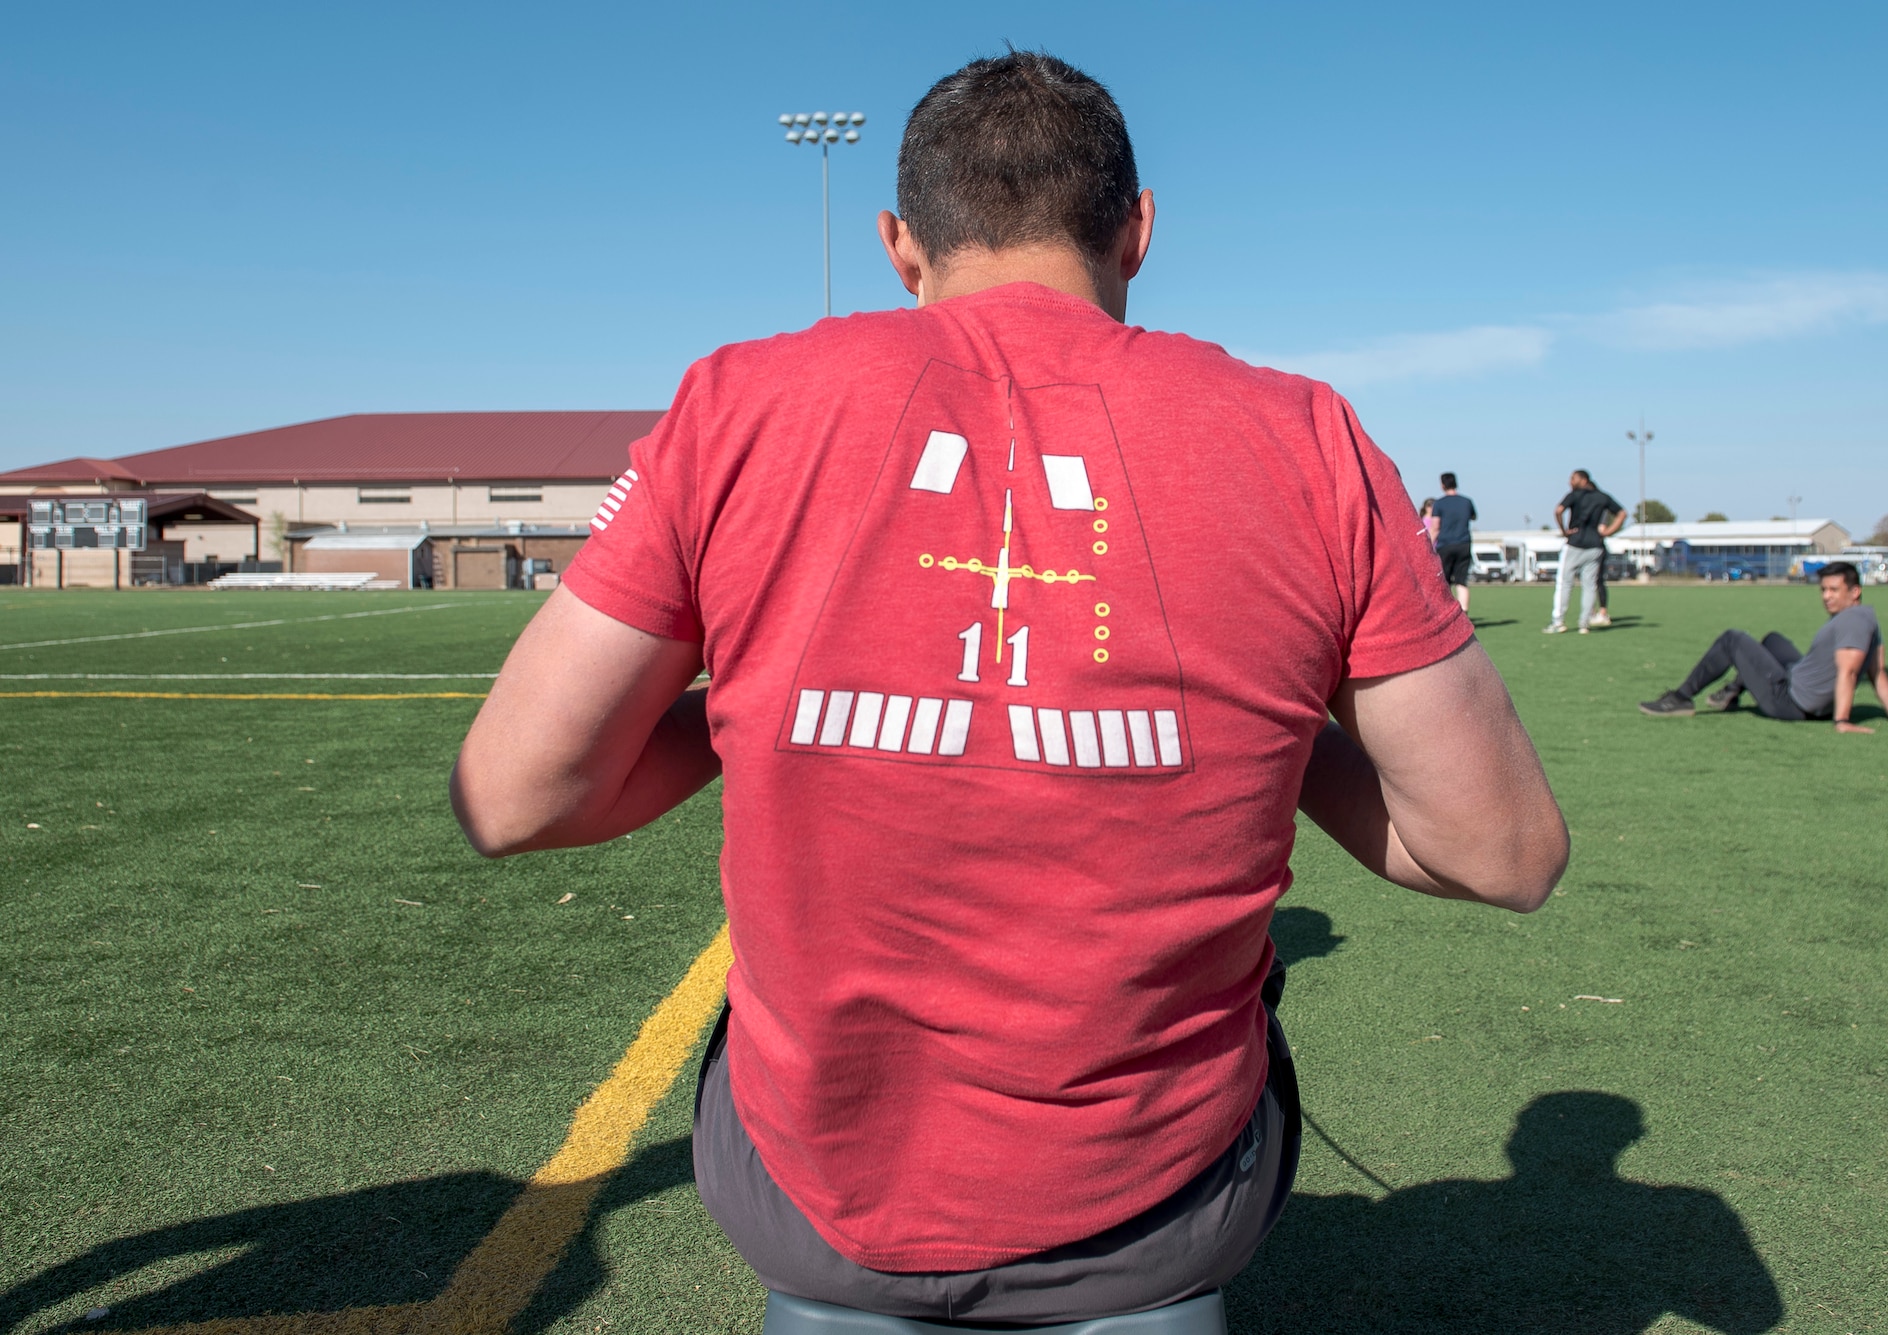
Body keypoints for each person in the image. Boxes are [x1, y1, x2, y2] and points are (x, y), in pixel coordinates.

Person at [451, 51, 1568, 1327]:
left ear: (896, 244)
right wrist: (1262, 729)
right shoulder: (1303, 433)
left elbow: (514, 794)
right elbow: (1501, 852)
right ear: (1137, 230)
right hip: (1159, 1194)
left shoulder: (738, 404)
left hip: (815, 1187)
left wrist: (745, 702)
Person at [1638, 561, 1888, 730]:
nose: (1826, 597)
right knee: (1773, 641)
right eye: (1823, 590)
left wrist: (1842, 720)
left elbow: (1849, 672)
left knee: (1733, 639)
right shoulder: (1867, 616)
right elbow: (1878, 671)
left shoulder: (1851, 622)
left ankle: (1680, 698)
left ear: (1854, 591)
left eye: (1834, 590)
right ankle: (1732, 692)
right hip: (1799, 682)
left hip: (1789, 702)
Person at [1544, 469, 1626, 635]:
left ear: (1583, 480)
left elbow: (1558, 510)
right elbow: (1622, 513)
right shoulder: (1603, 497)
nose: (1570, 482)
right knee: (1589, 585)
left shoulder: (1575, 495)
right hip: (1595, 545)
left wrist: (1564, 530)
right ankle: (1584, 624)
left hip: (1575, 544)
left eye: (1572, 478)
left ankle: (1558, 621)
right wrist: (1609, 531)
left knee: (1564, 583)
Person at [1431, 473, 1477, 614]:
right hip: (1463, 544)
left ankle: (1445, 612)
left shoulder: (1439, 504)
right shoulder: (1467, 501)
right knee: (1461, 581)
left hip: (1445, 544)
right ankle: (1464, 613)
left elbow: (1435, 527)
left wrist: (1430, 544)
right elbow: (1473, 517)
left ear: (1443, 485)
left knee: (1444, 582)